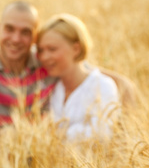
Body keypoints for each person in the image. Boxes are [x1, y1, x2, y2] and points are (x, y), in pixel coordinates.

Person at [0, 1, 134, 157]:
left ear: (34, 38)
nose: (16, 38)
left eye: (25, 32)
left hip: (32, 159)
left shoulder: (45, 64)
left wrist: (125, 87)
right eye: (9, 29)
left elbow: (83, 70)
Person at [37, 13, 119, 141]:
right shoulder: (50, 87)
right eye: (41, 50)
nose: (44, 57)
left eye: (52, 49)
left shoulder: (102, 86)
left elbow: (102, 135)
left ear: (76, 49)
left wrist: (57, 136)